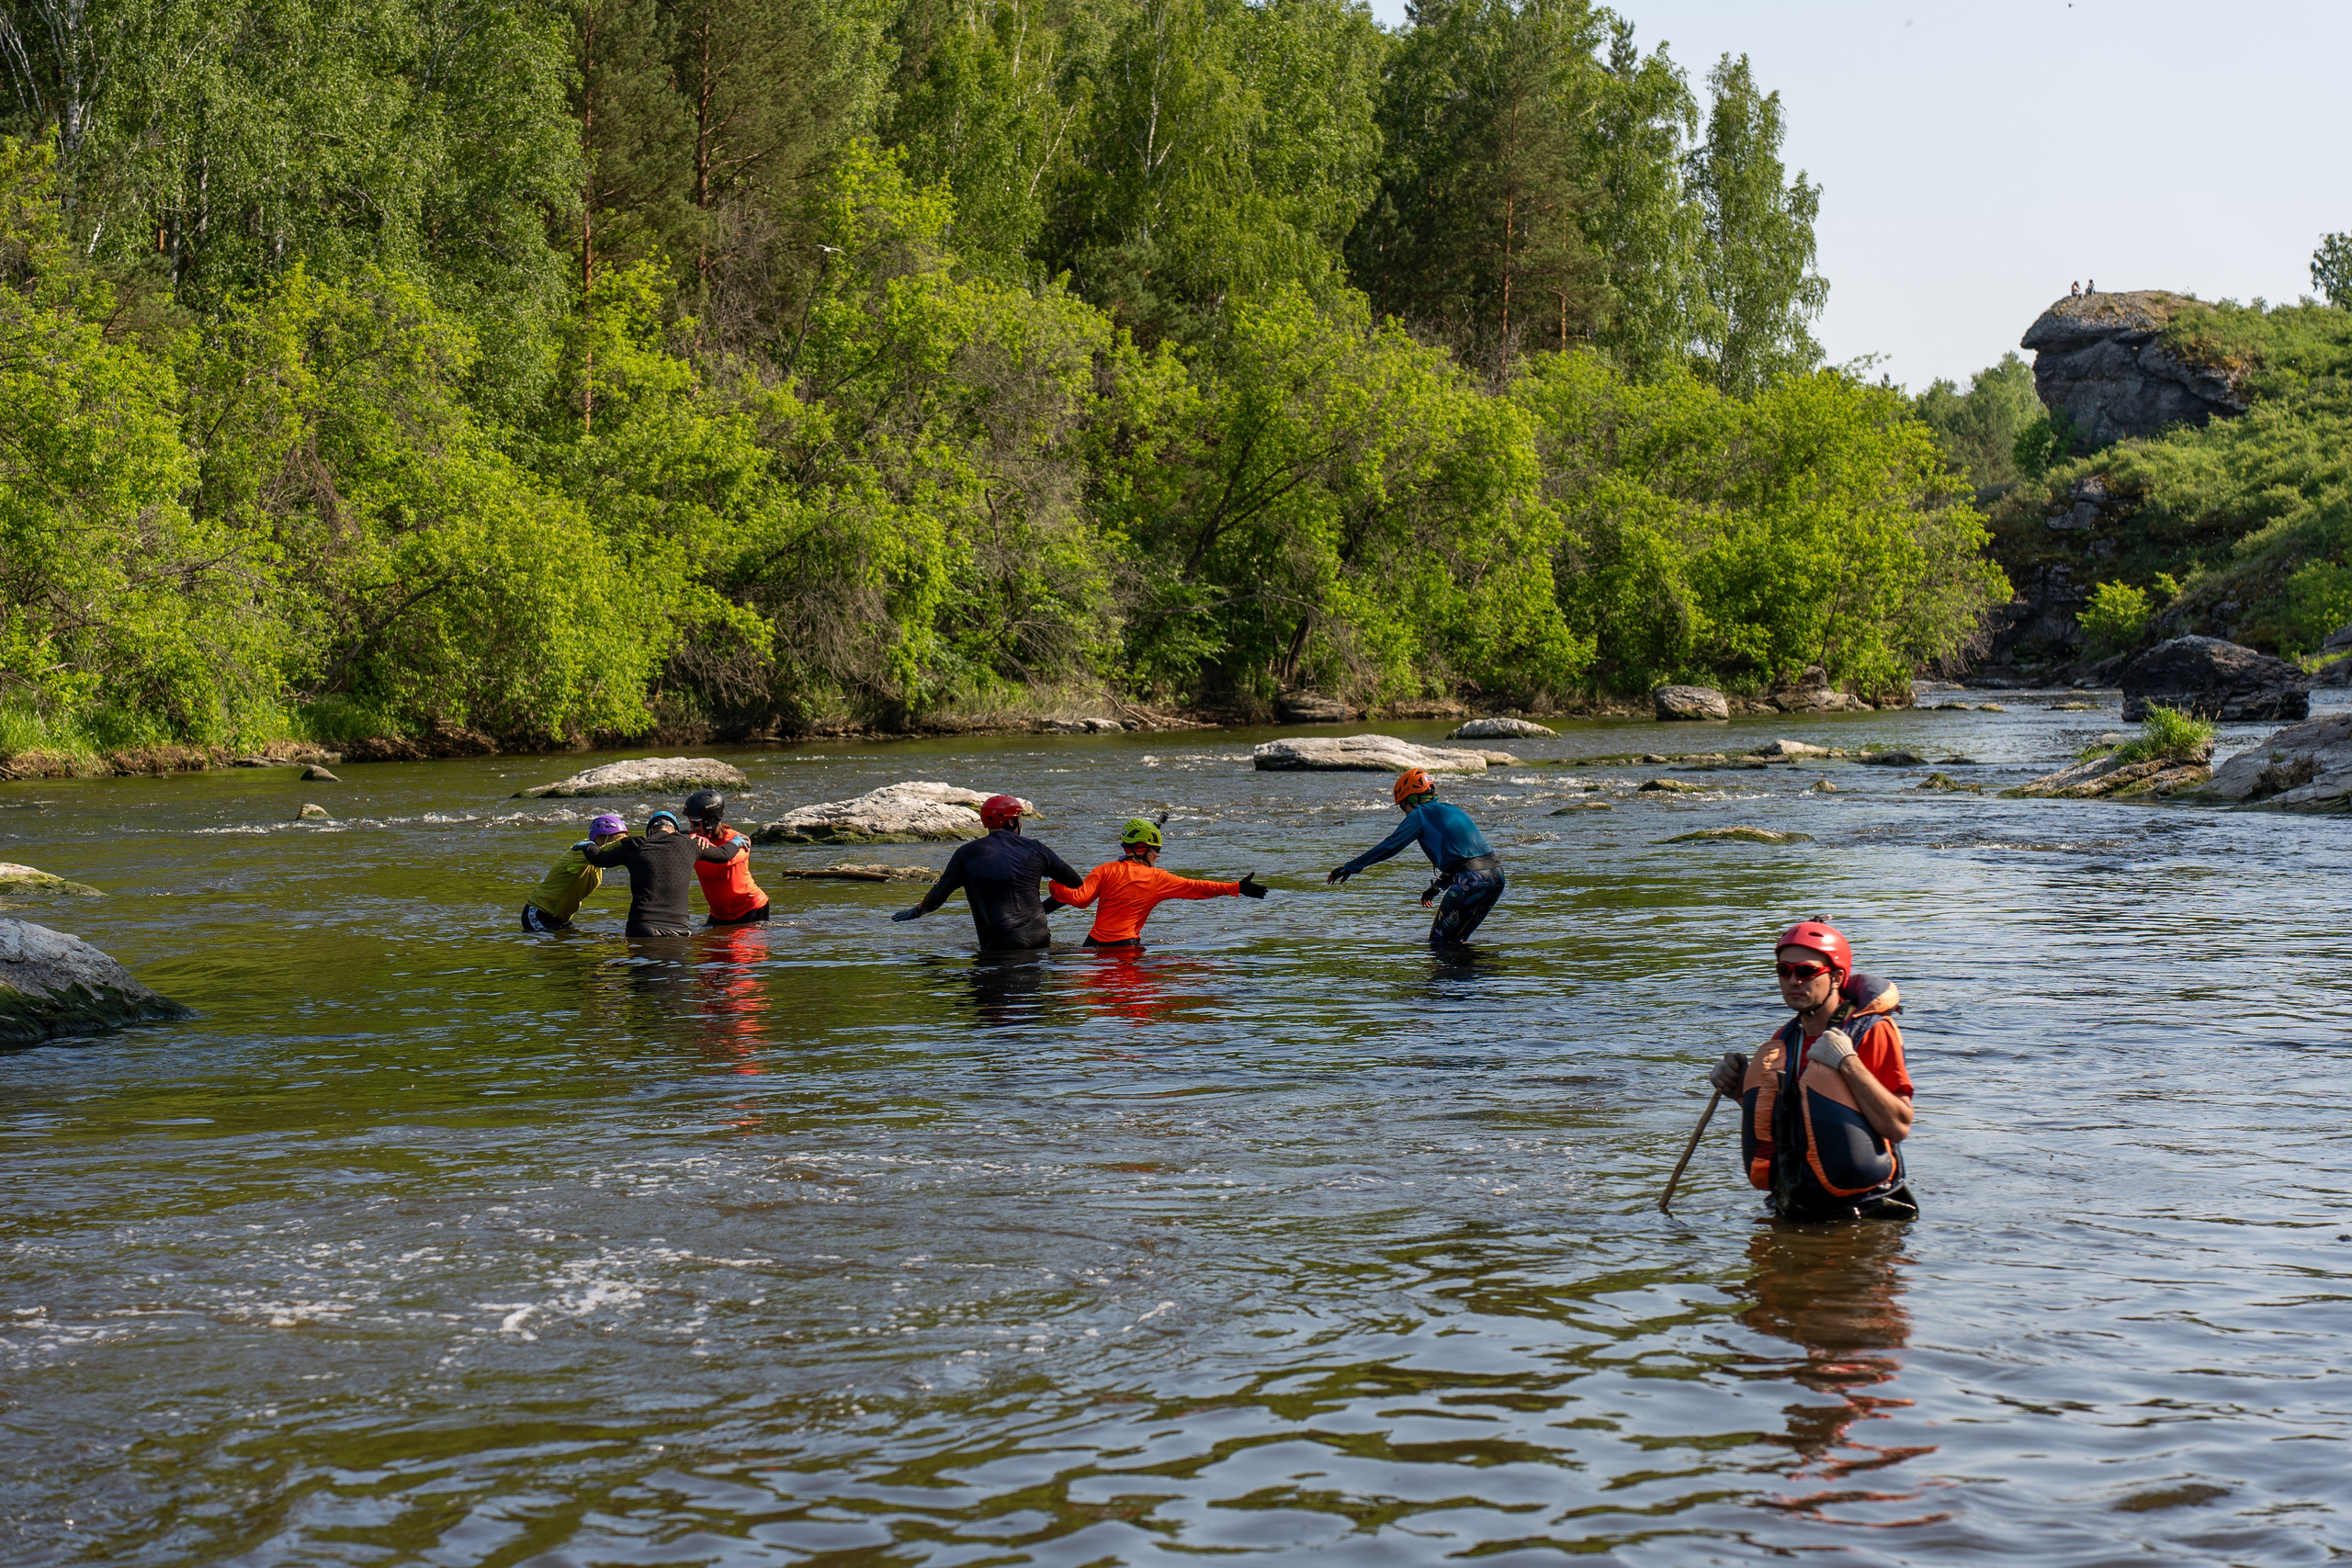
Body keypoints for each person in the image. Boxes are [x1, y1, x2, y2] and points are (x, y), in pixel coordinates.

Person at [1711, 920, 1917, 1223]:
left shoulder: (1872, 1032)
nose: (1793, 981)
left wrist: (1848, 1063)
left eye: (1806, 972)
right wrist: (1738, 1091)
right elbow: (1802, 1119)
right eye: (1784, 971)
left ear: (1836, 977)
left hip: (1863, 1215)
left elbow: (1899, 1126)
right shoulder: (1785, 1039)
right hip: (1794, 1206)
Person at [1325, 768, 1506, 943]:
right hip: (1497, 876)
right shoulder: (1452, 809)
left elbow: (1390, 846)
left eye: (1403, 806)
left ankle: (1453, 974)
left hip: (1471, 880)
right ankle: (1480, 974)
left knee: (1439, 944)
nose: (1404, 812)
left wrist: (1350, 867)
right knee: (1456, 941)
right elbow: (1465, 859)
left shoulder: (1420, 814)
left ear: (1411, 799)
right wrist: (1434, 889)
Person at [891, 794, 1084, 952]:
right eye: (1019, 818)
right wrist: (1043, 909)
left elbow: (938, 895)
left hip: (999, 944)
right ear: (1011, 822)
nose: (1021, 823)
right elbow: (1076, 885)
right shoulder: (1037, 849)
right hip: (1040, 938)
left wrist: (918, 911)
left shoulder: (965, 854)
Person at [1046, 818, 1267, 948]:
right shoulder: (1158, 878)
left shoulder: (1104, 870)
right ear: (1144, 848)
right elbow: (1198, 888)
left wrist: (1054, 884)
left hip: (1092, 945)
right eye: (1157, 850)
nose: (1159, 855)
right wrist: (1236, 887)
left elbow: (1080, 899)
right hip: (1126, 949)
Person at [583, 808, 745, 939]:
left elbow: (598, 859)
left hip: (641, 928)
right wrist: (736, 841)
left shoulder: (635, 845)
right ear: (675, 830)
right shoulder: (690, 845)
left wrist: (585, 845)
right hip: (676, 930)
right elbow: (725, 855)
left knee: (641, 978)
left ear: (650, 831)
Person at [522, 814, 628, 932]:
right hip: (539, 913)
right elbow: (604, 850)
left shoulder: (597, 862)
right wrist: (624, 843)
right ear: (600, 838)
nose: (620, 843)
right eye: (617, 839)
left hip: (561, 918)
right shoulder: (581, 850)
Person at [684, 789, 770, 927]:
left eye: (694, 823)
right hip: (719, 914)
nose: (691, 827)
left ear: (710, 820)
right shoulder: (694, 839)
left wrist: (704, 845)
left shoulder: (739, 841)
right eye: (690, 823)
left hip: (751, 908)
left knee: (736, 948)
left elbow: (723, 856)